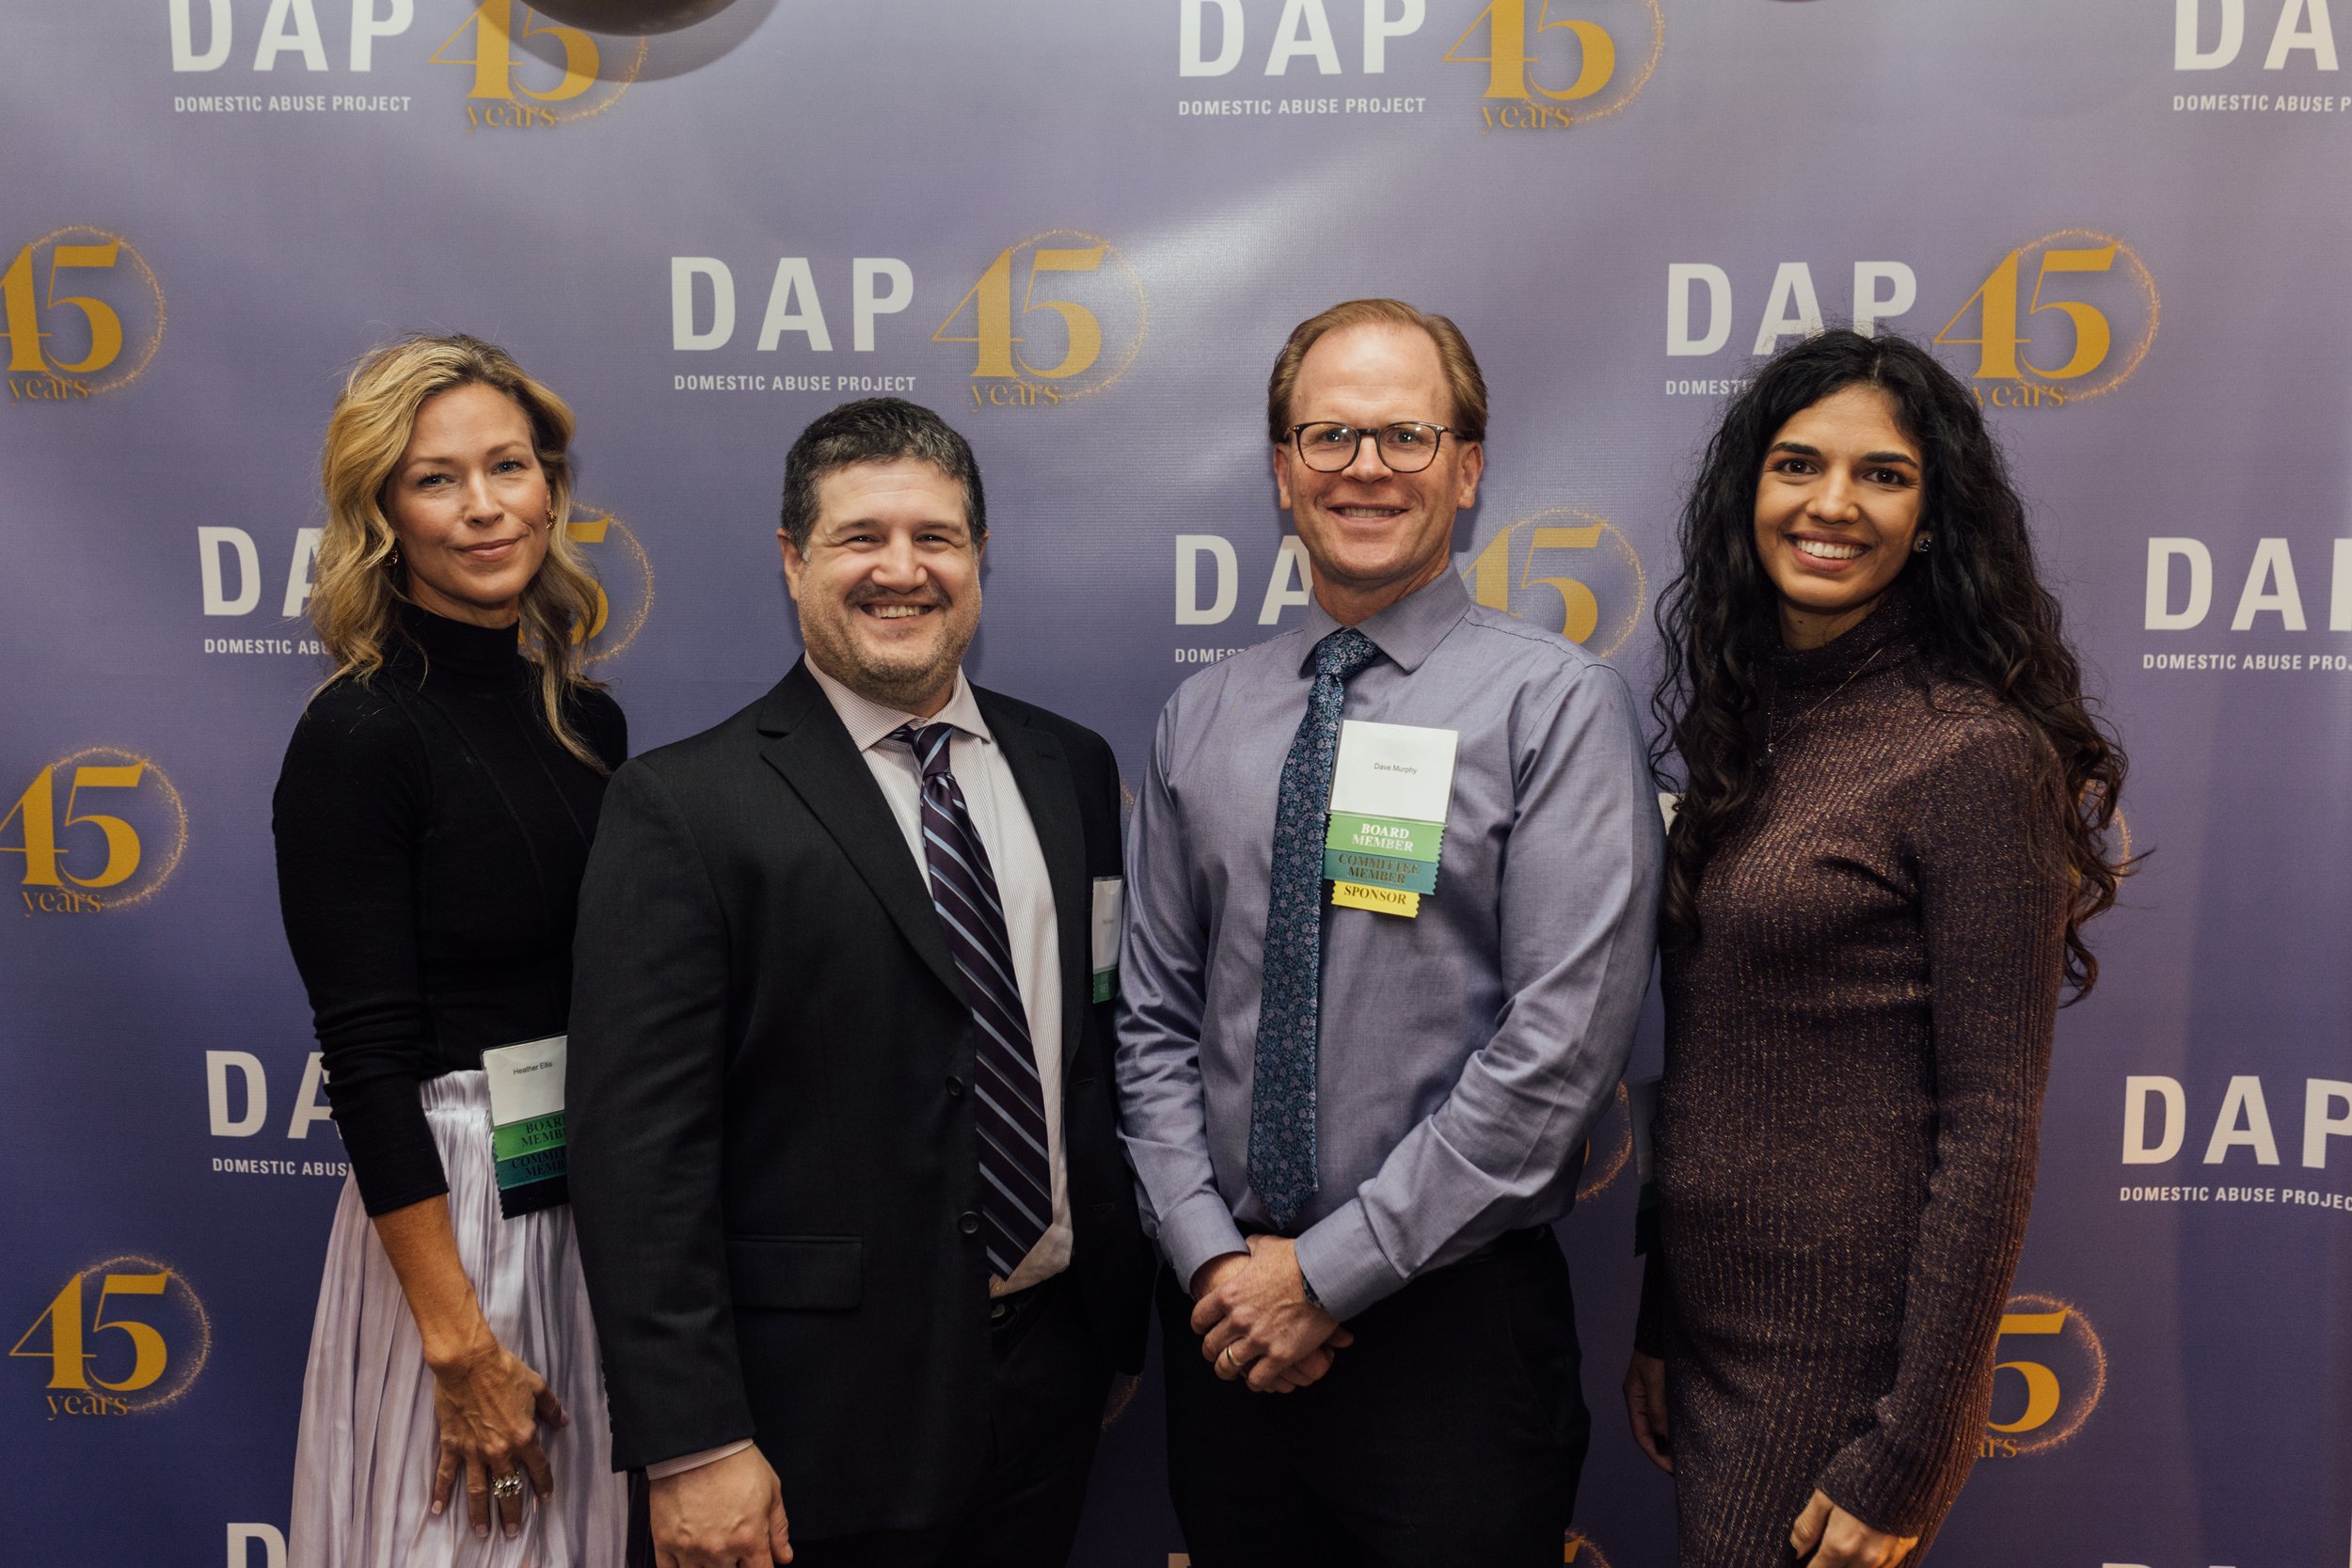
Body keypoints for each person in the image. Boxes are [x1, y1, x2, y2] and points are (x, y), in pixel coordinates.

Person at [1116, 297, 1662, 1565]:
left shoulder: (1556, 707)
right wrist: (1213, 1262)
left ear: (1469, 468)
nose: (1366, 467)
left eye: (1407, 436)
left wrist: (1326, 1273)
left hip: (1451, 1336)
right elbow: (1151, 1022)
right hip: (1227, 1336)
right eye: (1330, 435)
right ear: (1281, 470)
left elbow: (1560, 1051)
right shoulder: (1201, 717)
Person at [565, 397, 1152, 1568]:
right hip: (810, 1418)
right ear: (794, 561)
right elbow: (639, 1153)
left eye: (935, 537)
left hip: (1053, 1378)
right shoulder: (686, 805)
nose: (903, 570)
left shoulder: (1070, 767)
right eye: (860, 537)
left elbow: (1092, 1039)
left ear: (980, 556)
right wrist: (692, 1440)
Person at [1625, 328, 2132, 1568]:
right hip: (1713, 1336)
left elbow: (1992, 1124)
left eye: (1884, 474)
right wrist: (1661, 1315)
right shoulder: (1748, 730)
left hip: (1845, 1370)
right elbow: (1720, 1056)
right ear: (1749, 486)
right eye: (1798, 463)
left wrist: (1913, 1442)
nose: (1833, 503)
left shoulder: (1973, 754)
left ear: (1934, 509)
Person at [273, 333, 629, 1567]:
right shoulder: (358, 734)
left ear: (550, 485)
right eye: (437, 478)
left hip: (587, 1191)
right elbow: (365, 1057)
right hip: (451, 1215)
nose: (484, 507)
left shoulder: (585, 718)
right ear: (382, 511)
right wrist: (456, 1337)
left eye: (509, 465)